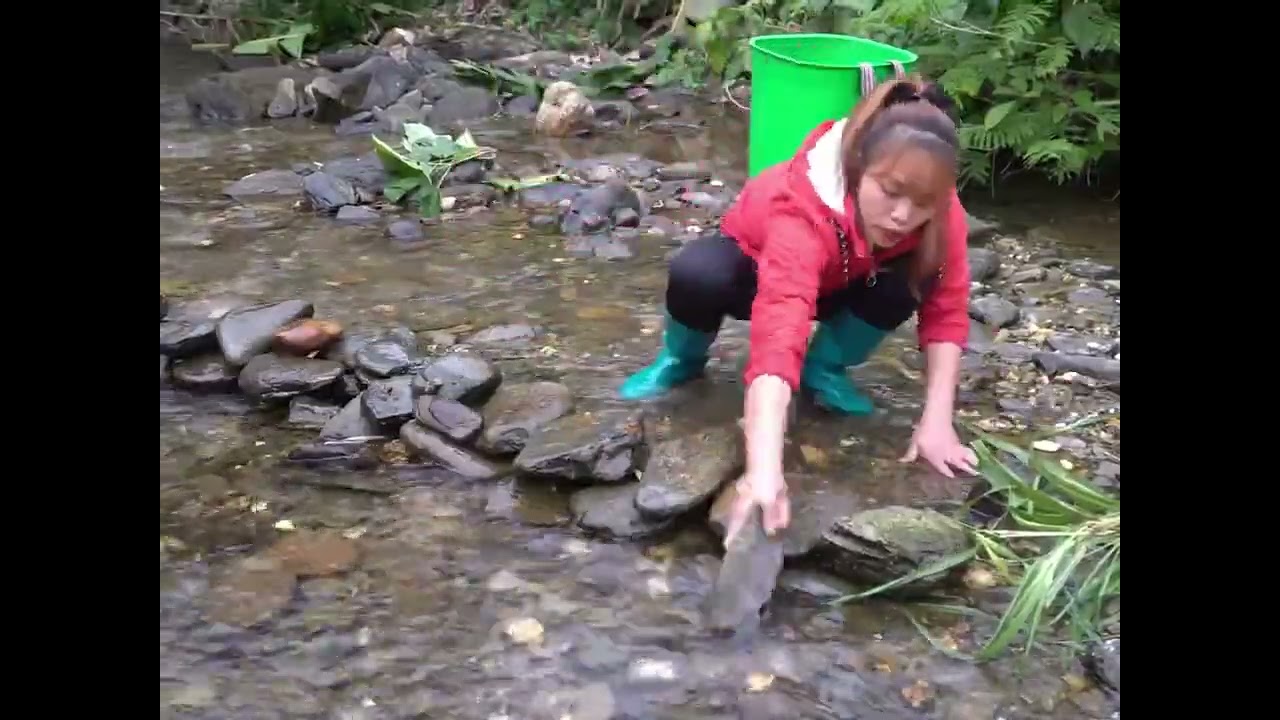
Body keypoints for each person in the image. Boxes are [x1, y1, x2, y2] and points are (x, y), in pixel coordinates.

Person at [617, 74, 979, 545]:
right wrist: (763, 472)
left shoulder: (939, 207)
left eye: (922, 203)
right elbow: (778, 333)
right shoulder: (801, 207)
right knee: (698, 273)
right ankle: (681, 360)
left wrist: (937, 423)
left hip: (849, 276)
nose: (903, 216)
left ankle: (824, 367)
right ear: (857, 166)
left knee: (913, 279)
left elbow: (948, 309)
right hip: (755, 272)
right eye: (891, 192)